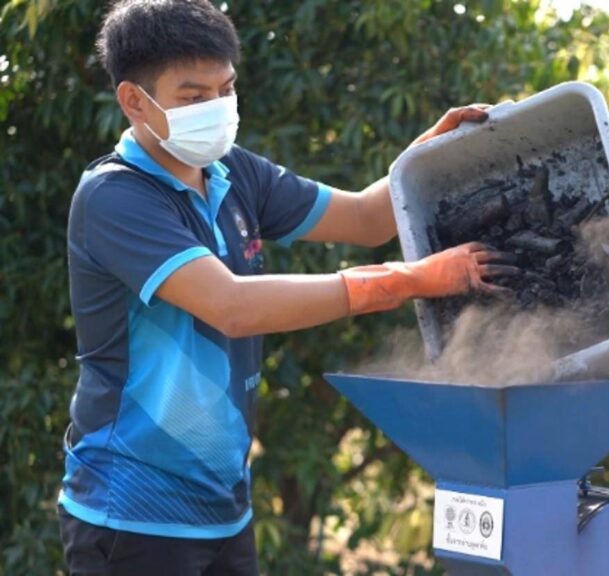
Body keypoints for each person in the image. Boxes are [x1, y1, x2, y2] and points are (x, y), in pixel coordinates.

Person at [58, 1, 516, 574]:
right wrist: (408, 280)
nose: (217, 109)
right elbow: (231, 306)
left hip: (224, 511)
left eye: (227, 90)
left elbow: (366, 219)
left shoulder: (234, 172)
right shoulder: (115, 197)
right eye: (194, 98)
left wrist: (429, 156)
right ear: (134, 101)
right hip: (131, 516)